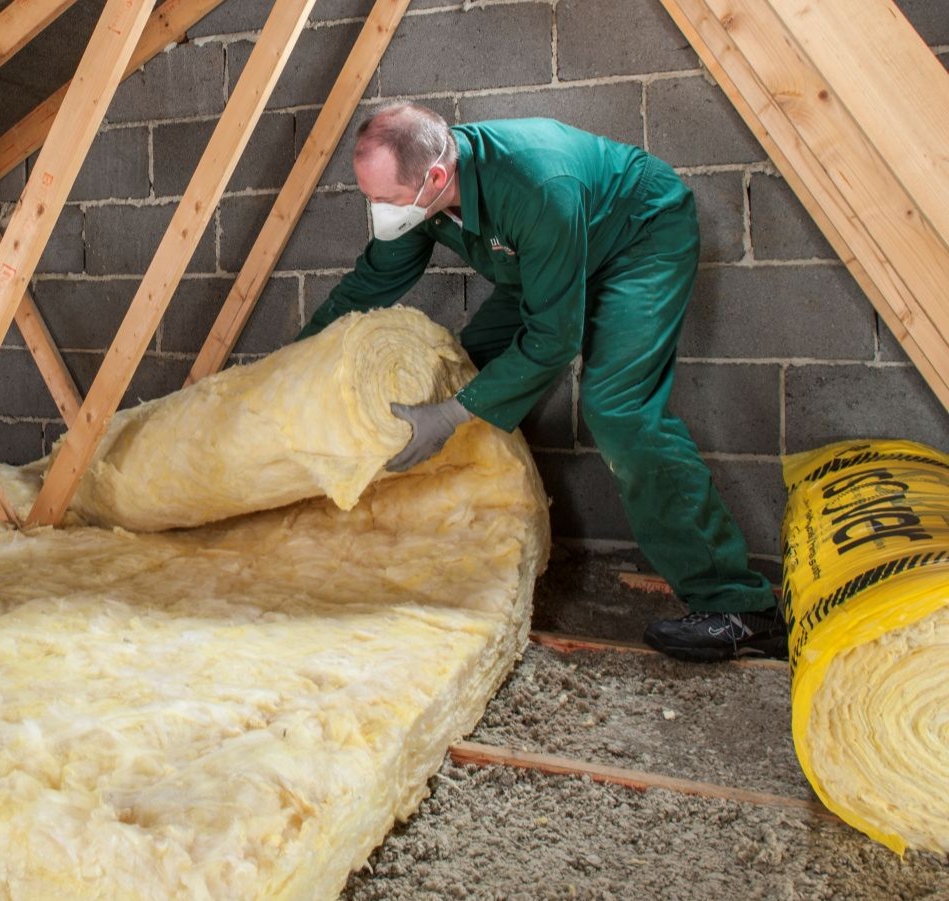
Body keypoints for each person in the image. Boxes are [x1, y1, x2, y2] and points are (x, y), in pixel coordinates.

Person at [302, 102, 782, 662]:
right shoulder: (425, 194)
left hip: (636, 240)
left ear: (434, 177)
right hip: (549, 255)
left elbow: (553, 340)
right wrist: (297, 358)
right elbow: (375, 278)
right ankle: (463, 548)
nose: (378, 211)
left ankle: (739, 607)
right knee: (465, 370)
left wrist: (454, 416)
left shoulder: (535, 183)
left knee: (617, 409)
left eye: (383, 199)